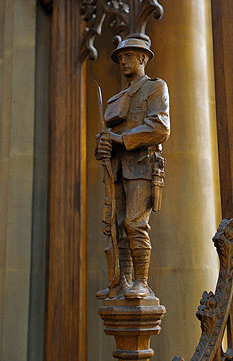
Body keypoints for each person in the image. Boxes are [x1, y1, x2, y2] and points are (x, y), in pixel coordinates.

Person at [96, 34, 170, 299]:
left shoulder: (154, 87)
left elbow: (159, 128)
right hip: (116, 170)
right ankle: (121, 282)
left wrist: (120, 139)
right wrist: (102, 145)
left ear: (143, 59)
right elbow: (107, 135)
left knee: (134, 224)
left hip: (141, 167)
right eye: (120, 58)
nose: (123, 61)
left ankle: (141, 281)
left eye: (128, 56)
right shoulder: (116, 98)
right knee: (116, 227)